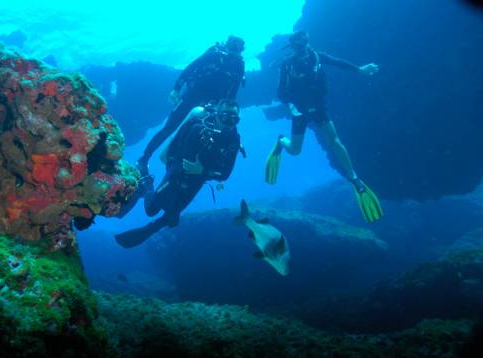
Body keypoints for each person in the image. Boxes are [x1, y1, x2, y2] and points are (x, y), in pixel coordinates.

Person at [265, 31, 383, 223]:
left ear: (307, 43)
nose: (302, 50)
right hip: (299, 112)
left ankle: (354, 178)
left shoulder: (317, 56)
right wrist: (293, 109)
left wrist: (359, 69)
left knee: (335, 141)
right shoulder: (287, 65)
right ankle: (280, 141)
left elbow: (337, 62)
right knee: (295, 151)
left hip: (318, 107)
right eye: (298, 47)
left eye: (304, 45)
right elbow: (281, 93)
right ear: (293, 48)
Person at [115, 99, 242, 248]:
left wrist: (202, 171)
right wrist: (204, 171)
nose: (229, 122)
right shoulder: (198, 128)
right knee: (151, 210)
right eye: (225, 116)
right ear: (217, 114)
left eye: (234, 119)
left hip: (198, 178)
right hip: (177, 171)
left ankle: (150, 228)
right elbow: (185, 165)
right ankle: (147, 184)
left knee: (171, 217)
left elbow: (225, 174)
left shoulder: (234, 138)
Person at [135, 36, 245, 177]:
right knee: (169, 128)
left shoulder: (239, 66)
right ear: (227, 44)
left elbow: (233, 93)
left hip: (212, 103)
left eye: (239, 48)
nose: (235, 51)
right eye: (233, 46)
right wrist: (176, 88)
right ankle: (144, 160)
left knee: (200, 133)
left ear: (241, 50)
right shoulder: (214, 54)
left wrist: (223, 110)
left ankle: (179, 169)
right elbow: (191, 68)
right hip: (192, 95)